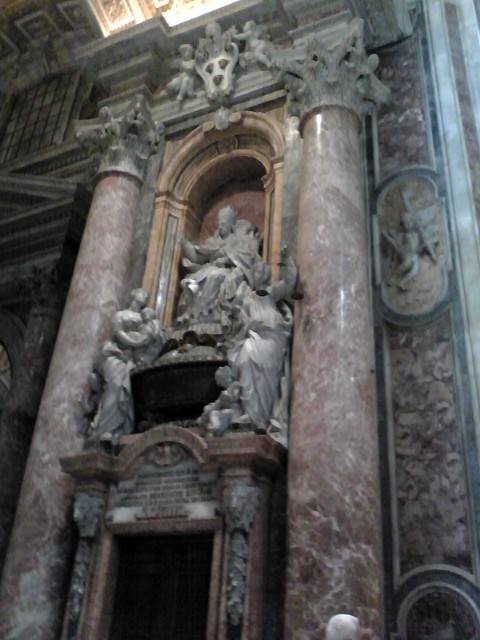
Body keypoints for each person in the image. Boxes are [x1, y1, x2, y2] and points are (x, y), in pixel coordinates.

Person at [226, 249, 297, 441]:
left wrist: (286, 259)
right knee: (243, 361)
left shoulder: (269, 293)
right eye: (256, 272)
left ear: (266, 276)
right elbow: (237, 318)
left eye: (261, 272)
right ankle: (251, 415)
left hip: (271, 338)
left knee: (267, 379)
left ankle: (262, 417)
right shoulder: (246, 297)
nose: (258, 276)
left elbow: (290, 282)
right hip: (252, 337)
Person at [175, 206, 261, 335]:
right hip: (208, 269)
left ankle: (208, 314)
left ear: (231, 225)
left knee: (214, 276)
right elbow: (198, 257)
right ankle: (193, 315)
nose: (220, 227)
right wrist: (185, 244)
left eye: (223, 224)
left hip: (228, 271)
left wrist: (226, 260)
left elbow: (247, 257)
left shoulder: (239, 240)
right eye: (219, 224)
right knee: (192, 280)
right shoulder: (213, 242)